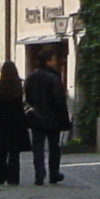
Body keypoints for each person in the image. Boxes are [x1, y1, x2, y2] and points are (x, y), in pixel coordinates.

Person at [25, 46, 71, 186]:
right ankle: (54, 174)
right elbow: (59, 100)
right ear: (48, 61)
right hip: (52, 118)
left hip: (36, 117)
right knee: (54, 148)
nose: (55, 62)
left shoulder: (31, 77)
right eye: (53, 59)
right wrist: (64, 118)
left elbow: (28, 97)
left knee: (38, 148)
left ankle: (39, 175)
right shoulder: (54, 78)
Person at [0, 63, 31, 185]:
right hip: (16, 122)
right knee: (14, 152)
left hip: (1, 122)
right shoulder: (18, 86)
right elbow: (22, 105)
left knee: (1, 152)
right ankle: (13, 178)